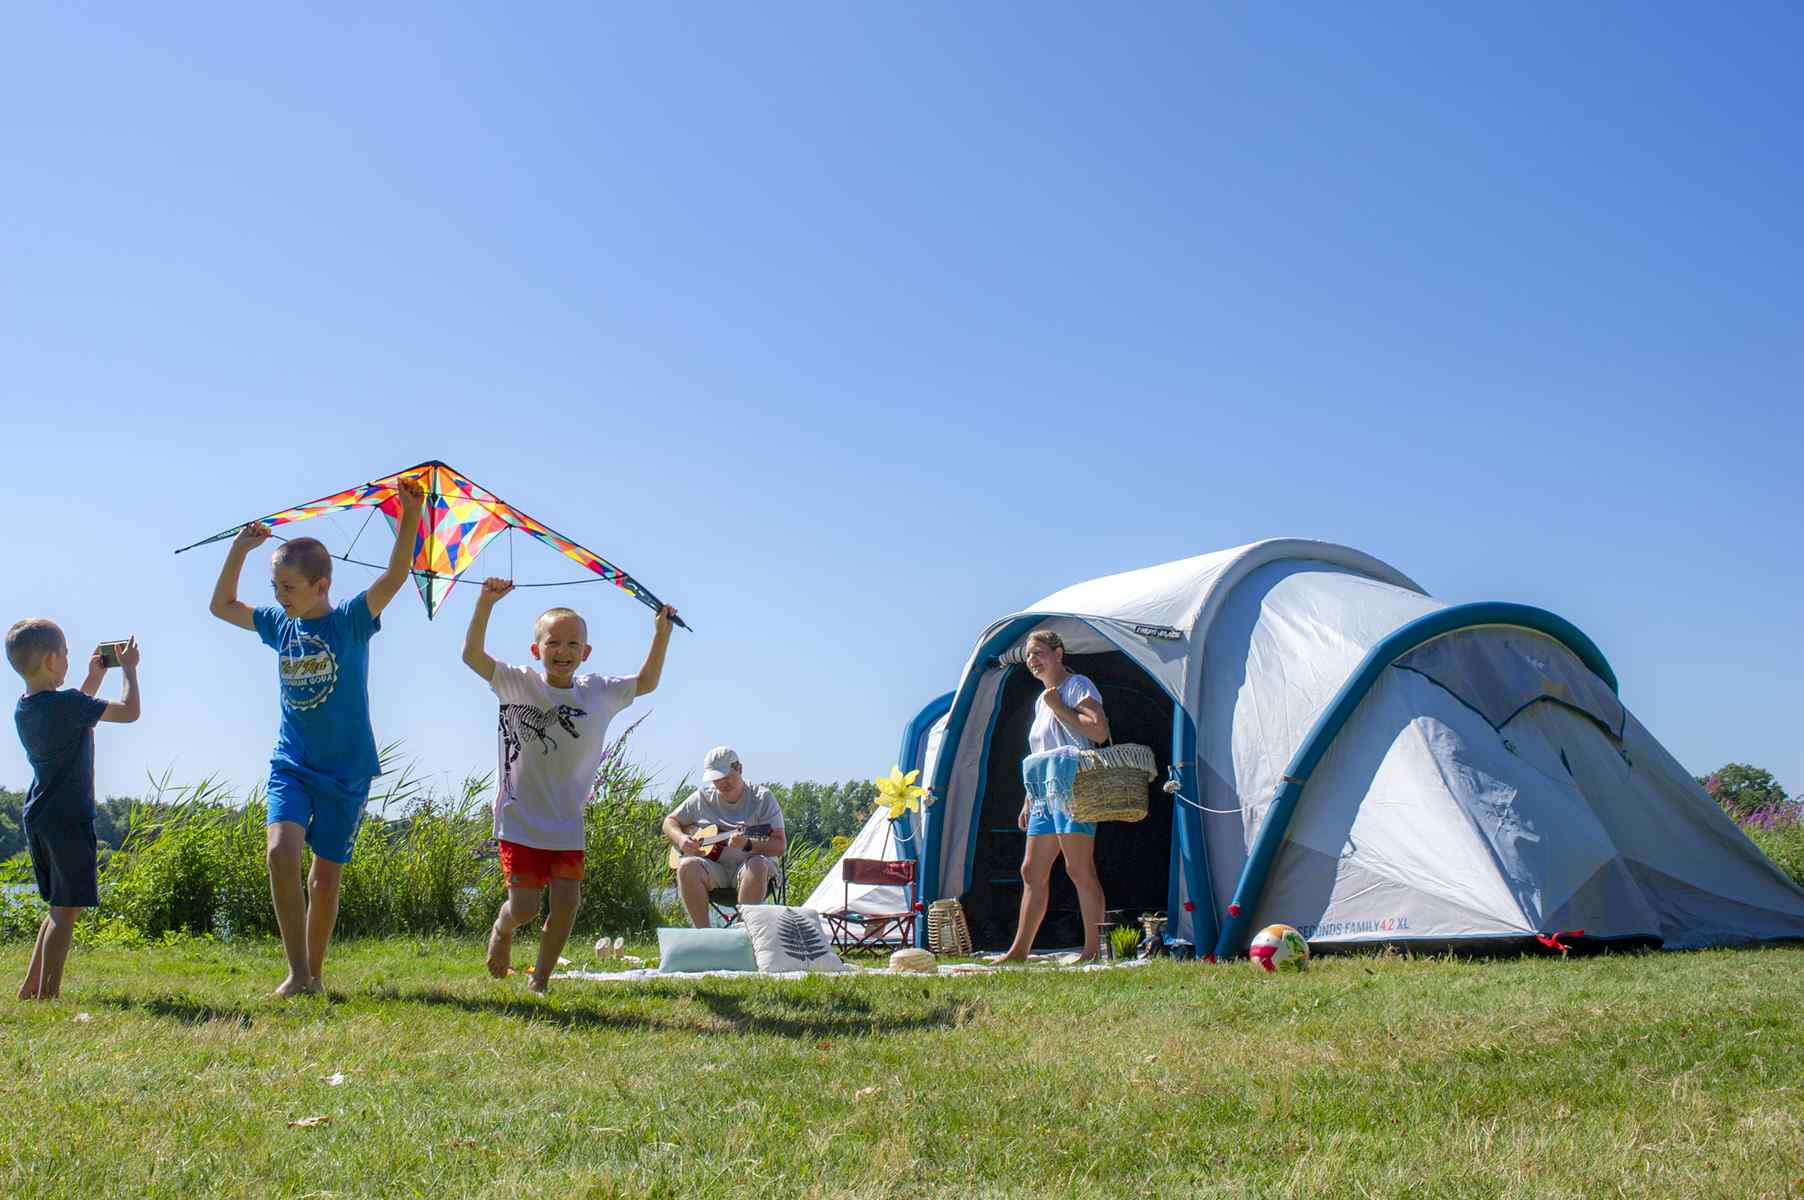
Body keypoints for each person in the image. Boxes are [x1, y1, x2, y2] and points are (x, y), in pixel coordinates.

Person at [207, 476, 425, 997]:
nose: (280, 598)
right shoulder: (279, 627)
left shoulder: (349, 621)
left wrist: (410, 514)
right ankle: (297, 973)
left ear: (321, 586)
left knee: (324, 881)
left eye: (289, 588)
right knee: (280, 852)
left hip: (346, 769)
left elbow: (395, 577)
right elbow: (222, 605)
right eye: (276, 588)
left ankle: (314, 975)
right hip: (293, 763)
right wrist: (240, 549)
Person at [463, 576, 676, 991]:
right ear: (536, 649)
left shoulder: (599, 693)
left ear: (586, 652)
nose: (563, 651)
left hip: (566, 821)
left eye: (572, 644)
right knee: (523, 908)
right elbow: (471, 655)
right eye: (553, 643)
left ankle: (540, 980)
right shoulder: (517, 682)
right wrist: (485, 604)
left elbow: (647, 682)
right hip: (520, 816)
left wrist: (661, 633)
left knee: (567, 903)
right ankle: (503, 929)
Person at [7, 621, 141, 1000]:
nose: (68, 658)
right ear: (51, 660)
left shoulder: (26, 708)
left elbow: (74, 715)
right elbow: (129, 712)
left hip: (40, 816)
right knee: (66, 912)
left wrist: (92, 678)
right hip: (69, 818)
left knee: (58, 907)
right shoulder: (67, 704)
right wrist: (129, 668)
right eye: (65, 653)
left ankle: (31, 986)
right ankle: (48, 995)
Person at [999, 629, 1111, 963]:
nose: (1032, 660)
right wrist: (1027, 798)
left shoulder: (1077, 686)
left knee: (1079, 868)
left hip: (1073, 785)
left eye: (1038, 653)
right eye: (1028, 656)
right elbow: (1041, 752)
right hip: (1043, 793)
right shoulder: (1041, 699)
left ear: (1058, 653)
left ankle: (1092, 951)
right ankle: (1019, 951)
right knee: (1031, 870)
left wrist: (1059, 705)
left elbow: (1098, 732)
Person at [662, 748, 787, 928]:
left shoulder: (762, 798)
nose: (722, 783)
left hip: (752, 871)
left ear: (739, 769)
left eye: (726, 776)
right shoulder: (702, 798)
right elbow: (669, 821)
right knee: (686, 865)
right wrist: (682, 839)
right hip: (715, 870)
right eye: (716, 778)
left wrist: (747, 843)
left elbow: (780, 845)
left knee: (757, 864)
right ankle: (704, 937)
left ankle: (742, 933)